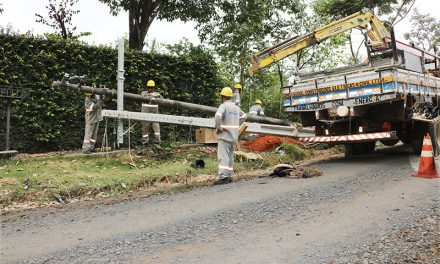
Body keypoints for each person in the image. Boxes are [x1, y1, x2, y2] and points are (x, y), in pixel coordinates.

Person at [214, 87, 246, 185]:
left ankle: (223, 177)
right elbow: (244, 116)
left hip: (224, 136)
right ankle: (228, 175)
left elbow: (217, 116)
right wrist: (236, 125)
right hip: (233, 136)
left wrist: (218, 127)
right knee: (230, 156)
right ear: (230, 96)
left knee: (223, 156)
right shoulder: (236, 108)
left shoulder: (223, 106)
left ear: (222, 96)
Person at [141, 80, 162, 144]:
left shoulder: (157, 95)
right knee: (145, 129)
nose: (150, 89)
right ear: (147, 87)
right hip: (145, 115)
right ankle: (145, 142)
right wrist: (149, 95)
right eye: (148, 87)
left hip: (155, 115)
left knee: (156, 129)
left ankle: (157, 141)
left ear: (154, 88)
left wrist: (155, 96)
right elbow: (142, 96)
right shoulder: (143, 93)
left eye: (151, 87)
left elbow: (162, 99)